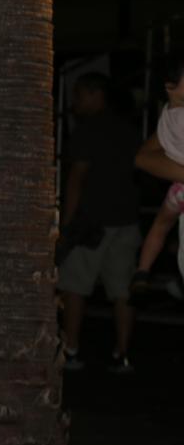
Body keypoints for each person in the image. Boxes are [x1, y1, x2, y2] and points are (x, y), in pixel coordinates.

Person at [56, 72, 141, 372]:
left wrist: (66, 225)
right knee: (122, 290)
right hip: (127, 219)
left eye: (78, 95)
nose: (75, 103)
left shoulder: (87, 130)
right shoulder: (128, 129)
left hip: (92, 222)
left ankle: (71, 350)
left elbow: (76, 180)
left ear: (95, 94)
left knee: (75, 285)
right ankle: (122, 353)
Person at [132, 53, 184, 289]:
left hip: (178, 188)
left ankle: (143, 270)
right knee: (161, 225)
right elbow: (142, 158)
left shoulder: (166, 116)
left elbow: (143, 157)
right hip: (179, 184)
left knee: (160, 224)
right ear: (170, 86)